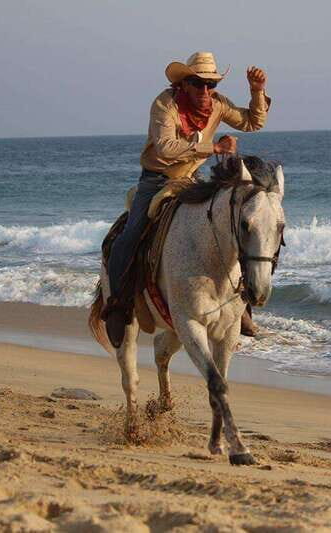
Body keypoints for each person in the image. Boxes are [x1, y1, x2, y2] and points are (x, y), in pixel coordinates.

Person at [104, 51, 271, 348]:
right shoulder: (164, 104)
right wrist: (213, 148)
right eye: (198, 83)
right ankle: (118, 304)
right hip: (156, 181)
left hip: (191, 180)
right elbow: (166, 148)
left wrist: (257, 93)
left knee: (230, 227)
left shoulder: (217, 104)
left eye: (211, 84)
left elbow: (251, 123)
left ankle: (239, 304)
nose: (205, 90)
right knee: (128, 236)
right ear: (184, 84)